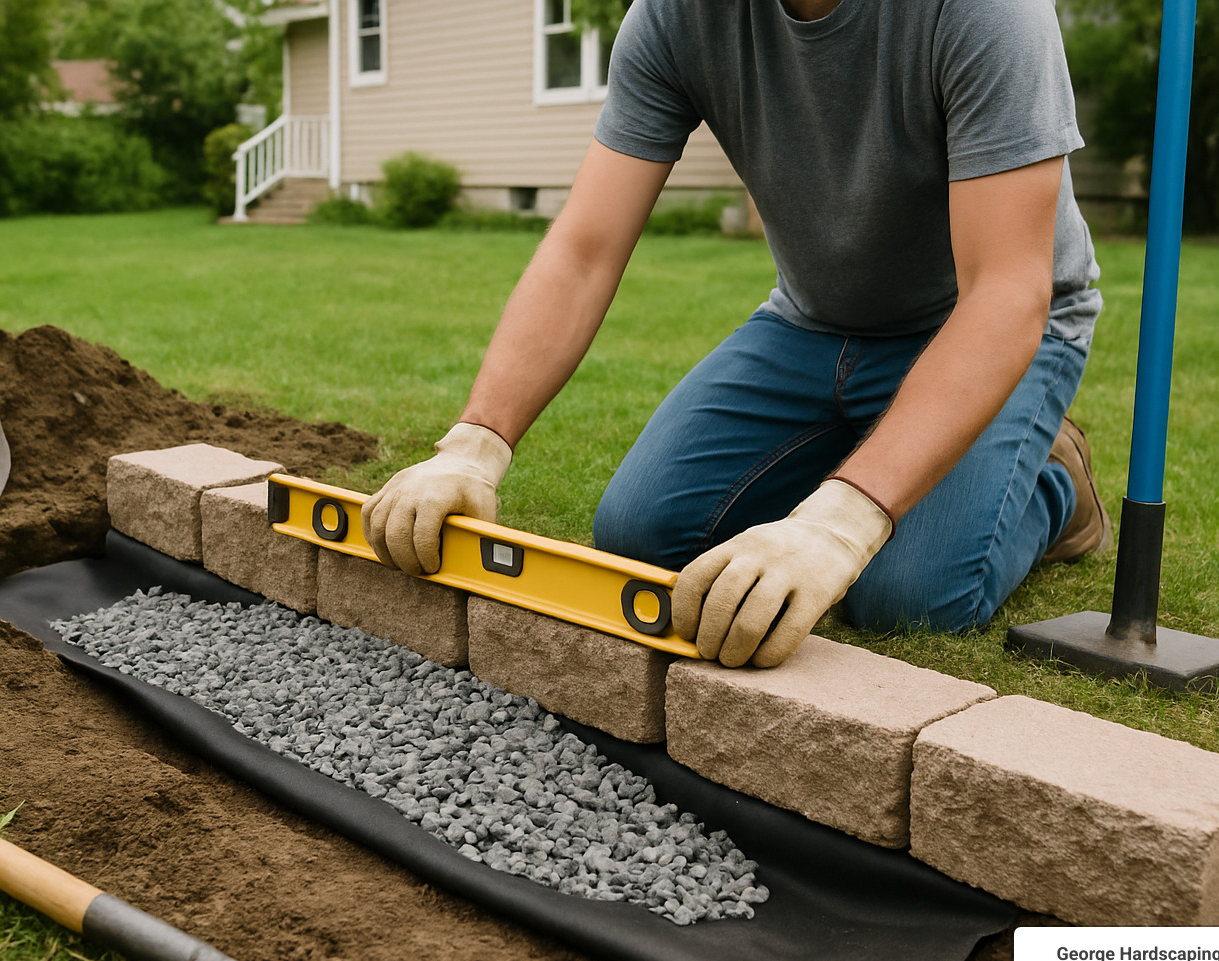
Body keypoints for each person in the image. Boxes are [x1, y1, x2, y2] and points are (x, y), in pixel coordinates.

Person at [361, 0, 1111, 669]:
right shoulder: (675, 16)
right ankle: (878, 447)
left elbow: (1006, 293)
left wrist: (839, 523)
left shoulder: (983, 11)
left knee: (908, 597)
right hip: (813, 322)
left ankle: (1054, 483)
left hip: (977, 327)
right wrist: (475, 447)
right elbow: (584, 252)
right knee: (643, 536)